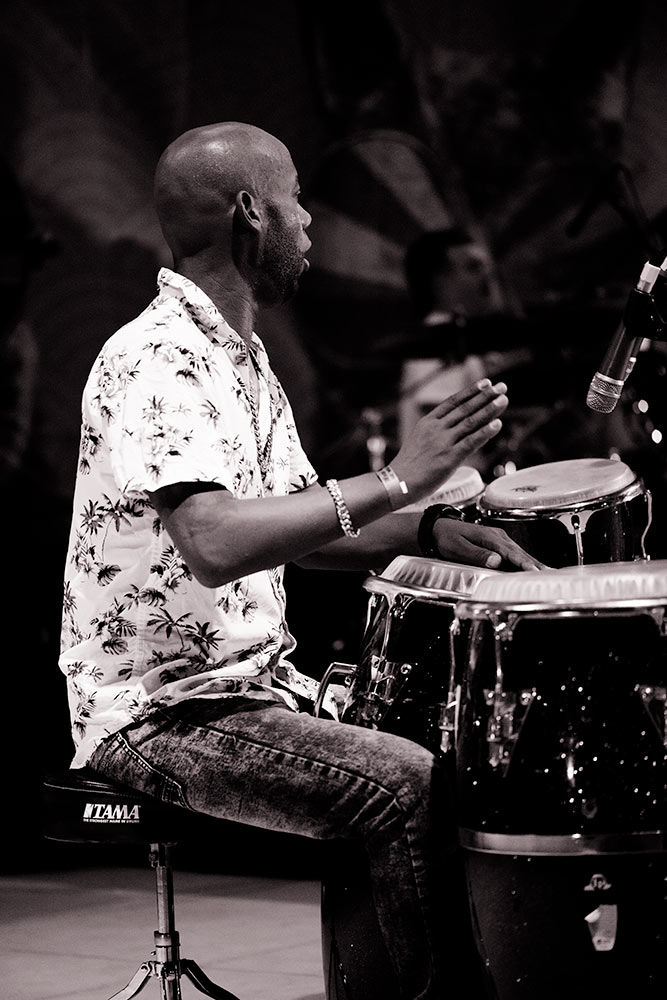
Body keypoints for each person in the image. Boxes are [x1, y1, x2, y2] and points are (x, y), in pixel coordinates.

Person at [59, 122, 542, 1000]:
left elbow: (303, 523)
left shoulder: (237, 357)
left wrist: (427, 531)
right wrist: (398, 478)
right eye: (295, 200)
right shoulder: (156, 359)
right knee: (399, 785)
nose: (310, 222)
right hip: (161, 712)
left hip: (245, 690)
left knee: (454, 736)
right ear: (251, 211)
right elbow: (214, 544)